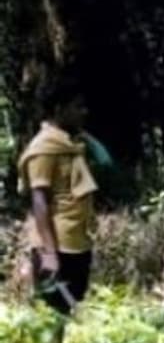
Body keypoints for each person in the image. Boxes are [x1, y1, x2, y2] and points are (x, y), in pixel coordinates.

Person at [17, 82, 98, 317]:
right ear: (59, 109)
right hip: (56, 247)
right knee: (52, 316)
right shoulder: (43, 148)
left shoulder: (68, 145)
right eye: (77, 107)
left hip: (77, 241)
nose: (84, 112)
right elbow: (39, 200)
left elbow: (106, 162)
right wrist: (49, 254)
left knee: (70, 313)